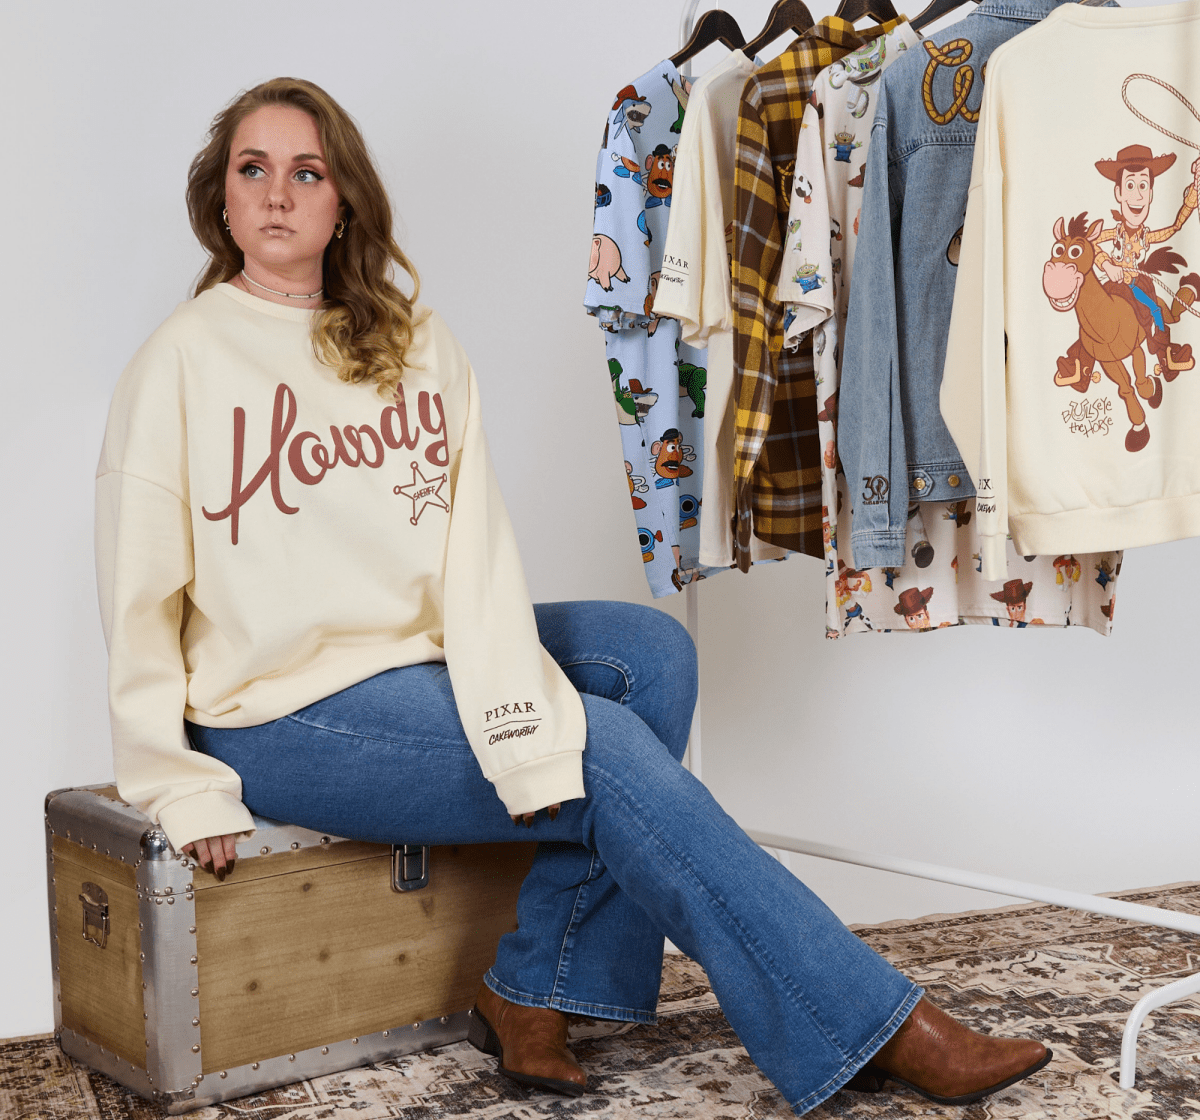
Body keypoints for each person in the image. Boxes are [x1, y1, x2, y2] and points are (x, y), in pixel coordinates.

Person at [95, 77, 1051, 1114]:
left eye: (307, 170)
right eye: (253, 169)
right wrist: (175, 781)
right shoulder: (179, 364)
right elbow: (139, 594)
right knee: (597, 743)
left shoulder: (415, 346)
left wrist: (512, 700)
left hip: (417, 667)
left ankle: (533, 989)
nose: (278, 192)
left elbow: (476, 551)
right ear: (222, 200)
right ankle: (871, 1020)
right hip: (280, 710)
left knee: (651, 659)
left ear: (344, 204)